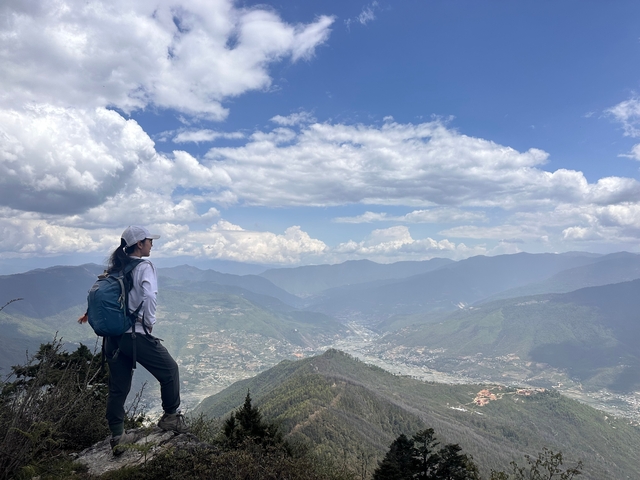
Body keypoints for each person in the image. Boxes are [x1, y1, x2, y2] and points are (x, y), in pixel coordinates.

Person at [105, 225, 188, 453]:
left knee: (118, 387)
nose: (152, 244)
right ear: (139, 244)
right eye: (149, 240)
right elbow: (150, 294)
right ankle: (171, 417)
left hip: (113, 338)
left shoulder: (117, 268)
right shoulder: (144, 266)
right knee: (169, 370)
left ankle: (117, 436)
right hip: (135, 334)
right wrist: (148, 321)